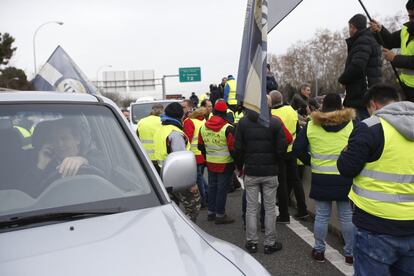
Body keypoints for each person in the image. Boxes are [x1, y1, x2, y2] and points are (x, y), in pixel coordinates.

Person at [337, 83, 414, 275]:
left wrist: (344, 152)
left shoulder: (370, 127)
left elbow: (346, 168)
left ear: (374, 104)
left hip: (375, 225)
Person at [293, 93, 356, 265]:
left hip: (321, 176)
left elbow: (297, 149)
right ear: (341, 107)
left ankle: (319, 251)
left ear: (323, 106)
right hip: (344, 177)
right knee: (346, 217)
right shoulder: (351, 124)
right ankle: (350, 254)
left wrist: (311, 162)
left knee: (321, 216)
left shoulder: (312, 125)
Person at [233, 95, 287, 254]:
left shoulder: (243, 123)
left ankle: (252, 242)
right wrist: (276, 164)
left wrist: (239, 165)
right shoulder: (276, 122)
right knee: (269, 208)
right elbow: (281, 149)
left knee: (251, 208)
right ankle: (270, 243)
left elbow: (237, 149)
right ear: (269, 105)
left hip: (251, 171)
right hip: (270, 172)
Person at [20, 117, 109, 197]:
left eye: (64, 138)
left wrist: (84, 160)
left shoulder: (93, 155)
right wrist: (41, 165)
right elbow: (24, 194)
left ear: (77, 139)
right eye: (54, 140)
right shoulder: (45, 163)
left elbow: (106, 166)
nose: (60, 144)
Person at [154, 102, 201, 222]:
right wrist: (190, 184)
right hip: (177, 177)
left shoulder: (161, 129)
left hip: (163, 175)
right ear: (180, 116)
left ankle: (175, 231)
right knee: (193, 207)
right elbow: (181, 161)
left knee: (172, 209)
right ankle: (187, 231)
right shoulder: (175, 133)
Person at [271, 91, 309, 222]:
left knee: (282, 183)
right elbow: (298, 128)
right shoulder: (291, 110)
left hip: (279, 152)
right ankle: (303, 210)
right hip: (292, 150)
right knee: (296, 180)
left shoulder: (271, 114)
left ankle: (284, 214)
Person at [338, 14, 382, 121]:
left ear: (353, 27)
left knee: (360, 129)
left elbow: (357, 66)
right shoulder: (368, 39)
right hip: (366, 93)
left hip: (361, 96)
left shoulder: (362, 41)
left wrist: (343, 79)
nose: (349, 30)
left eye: (349, 27)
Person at [198, 100, 235, 224]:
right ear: (225, 113)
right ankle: (220, 215)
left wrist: (208, 156)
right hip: (225, 163)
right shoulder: (228, 128)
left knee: (213, 187)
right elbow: (232, 148)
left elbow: (200, 146)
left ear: (214, 112)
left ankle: (211, 213)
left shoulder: (203, 126)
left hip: (210, 162)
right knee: (221, 189)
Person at [370, 0, 414, 102]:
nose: (411, 20)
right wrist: (379, 31)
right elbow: (389, 42)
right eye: (410, 16)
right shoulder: (405, 30)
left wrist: (395, 58)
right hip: (405, 87)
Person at [183, 107, 208, 208]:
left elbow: (187, 138)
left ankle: (204, 200)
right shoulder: (204, 121)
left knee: (198, 179)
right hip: (202, 154)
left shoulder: (189, 122)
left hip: (194, 155)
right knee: (200, 178)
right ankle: (207, 197)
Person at [136, 103, 164, 172]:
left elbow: (137, 138)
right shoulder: (163, 122)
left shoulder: (141, 121)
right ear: (162, 111)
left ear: (151, 110)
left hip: (145, 158)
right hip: (160, 159)